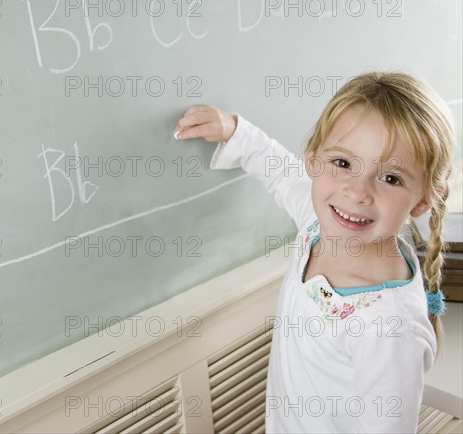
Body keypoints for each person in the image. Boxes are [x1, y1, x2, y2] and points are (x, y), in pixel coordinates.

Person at [175, 72, 455, 433]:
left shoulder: (389, 326)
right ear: (313, 160)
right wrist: (234, 131)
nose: (357, 192)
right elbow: (281, 174)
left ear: (424, 200)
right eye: (342, 164)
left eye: (390, 178)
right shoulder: (319, 224)